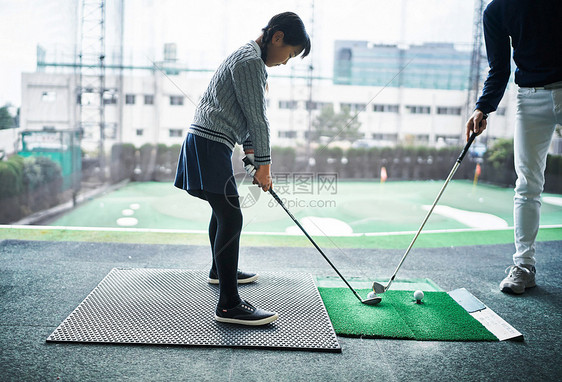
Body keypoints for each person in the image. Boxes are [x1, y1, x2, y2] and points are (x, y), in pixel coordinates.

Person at [174, 12, 311, 325]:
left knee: (223, 211)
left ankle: (218, 271)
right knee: (231, 214)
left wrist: (252, 156)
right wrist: (264, 165)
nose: (286, 62)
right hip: (209, 142)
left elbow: (246, 119)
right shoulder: (251, 62)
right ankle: (229, 305)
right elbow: (258, 118)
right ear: (276, 37)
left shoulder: (247, 57)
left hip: (208, 141)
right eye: (289, 54)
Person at [466, 0, 562, 294]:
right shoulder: (495, 11)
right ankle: (523, 266)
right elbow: (499, 68)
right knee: (527, 183)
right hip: (528, 96)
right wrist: (483, 107)